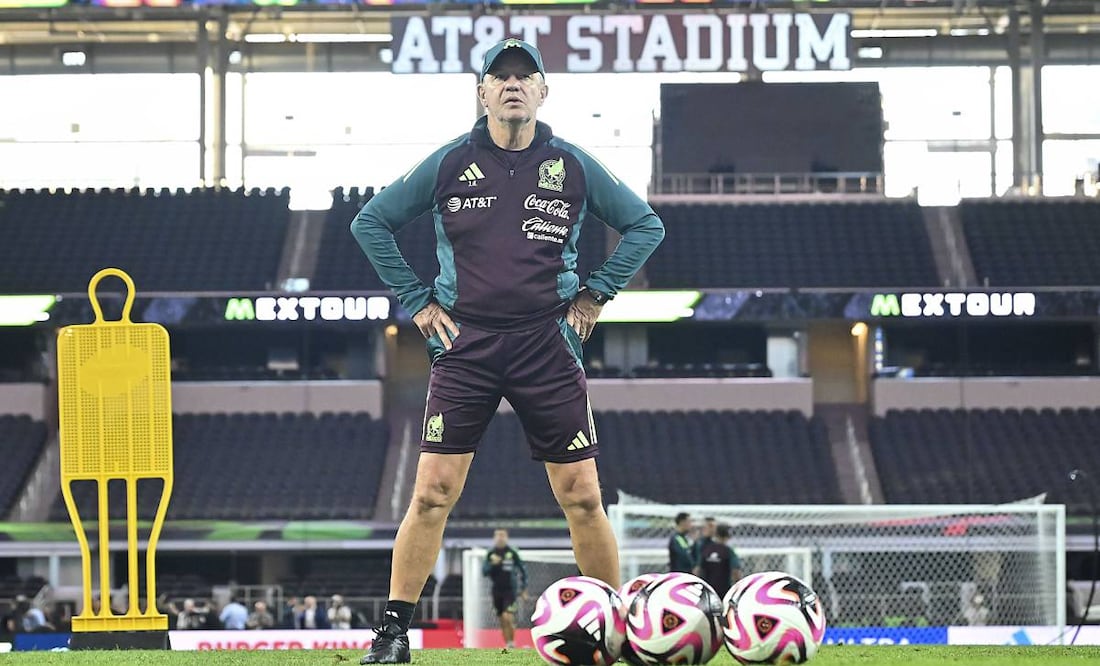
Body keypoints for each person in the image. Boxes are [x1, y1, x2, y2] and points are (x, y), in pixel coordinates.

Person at [351, 37, 664, 665]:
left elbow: (646, 225)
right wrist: (417, 300)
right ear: (483, 92)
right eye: (501, 77)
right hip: (464, 345)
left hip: (548, 345)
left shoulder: (572, 164)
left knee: (581, 493)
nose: (513, 85)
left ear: (544, 91)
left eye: (526, 77)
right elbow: (371, 222)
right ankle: (391, 635)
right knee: (433, 491)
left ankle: (613, 630)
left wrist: (596, 293)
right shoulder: (448, 164)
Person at [481, 529, 529, 649]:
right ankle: (508, 643)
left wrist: (523, 588)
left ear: (506, 537)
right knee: (502, 618)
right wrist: (493, 564)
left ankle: (512, 642)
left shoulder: (512, 552)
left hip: (510, 590)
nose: (500, 538)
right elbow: (484, 572)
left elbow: (523, 570)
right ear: (494, 538)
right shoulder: (491, 553)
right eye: (498, 535)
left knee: (507, 616)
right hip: (496, 590)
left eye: (502, 535)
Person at [694, 524, 743, 599]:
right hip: (724, 591)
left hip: (707, 590)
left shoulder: (706, 549)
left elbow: (697, 570)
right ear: (727, 537)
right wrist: (739, 586)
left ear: (716, 535)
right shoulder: (728, 551)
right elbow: (735, 571)